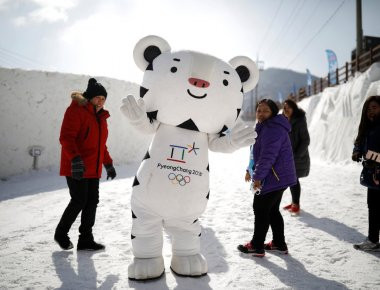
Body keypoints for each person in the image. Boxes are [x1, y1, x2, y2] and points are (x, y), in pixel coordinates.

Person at [54, 78, 117, 251]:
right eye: (98, 97)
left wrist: (108, 164)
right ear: (89, 97)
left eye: (103, 99)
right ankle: (61, 233)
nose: (101, 101)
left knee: (92, 202)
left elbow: (100, 145)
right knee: (79, 200)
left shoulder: (101, 118)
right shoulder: (76, 110)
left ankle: (85, 239)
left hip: (93, 168)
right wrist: (75, 159)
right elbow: (66, 137)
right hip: (77, 166)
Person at [239, 99, 297, 257]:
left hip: (275, 176)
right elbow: (255, 154)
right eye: (259, 110)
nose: (261, 114)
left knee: (260, 208)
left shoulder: (272, 129)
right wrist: (249, 170)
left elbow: (267, 157)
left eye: (265, 111)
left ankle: (256, 246)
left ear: (273, 112)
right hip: (279, 176)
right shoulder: (266, 127)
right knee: (271, 210)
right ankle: (279, 243)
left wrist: (257, 177)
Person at [352, 95, 380, 251]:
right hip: (372, 174)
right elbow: (359, 142)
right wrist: (356, 152)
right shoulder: (367, 126)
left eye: (374, 107)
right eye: (369, 108)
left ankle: (373, 239)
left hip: (376, 171)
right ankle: (373, 240)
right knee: (373, 207)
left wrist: (375, 159)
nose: (371, 111)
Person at [282, 99, 310, 215]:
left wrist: (296, 155)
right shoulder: (285, 121)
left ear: (294, 108)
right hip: (288, 156)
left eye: (288, 107)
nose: (286, 110)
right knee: (291, 180)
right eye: (284, 108)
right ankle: (294, 202)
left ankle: (296, 204)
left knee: (293, 180)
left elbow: (306, 140)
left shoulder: (299, 120)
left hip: (297, 156)